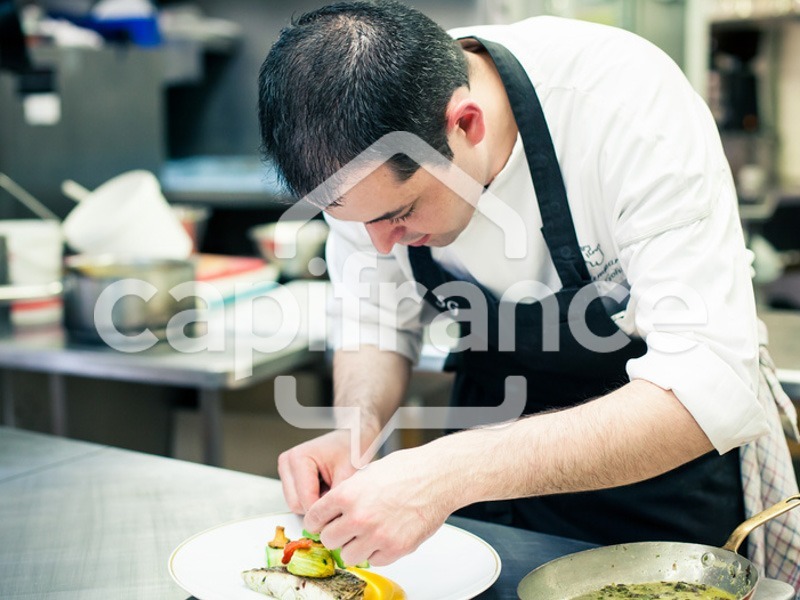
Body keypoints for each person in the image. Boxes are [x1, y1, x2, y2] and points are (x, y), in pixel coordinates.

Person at [257, 0, 800, 587]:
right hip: (483, 500)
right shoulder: (360, 149)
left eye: (401, 213)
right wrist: (355, 434)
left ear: (466, 125)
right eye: (356, 223)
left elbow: (708, 387)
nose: (382, 246)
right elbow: (378, 315)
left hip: (656, 506)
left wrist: (447, 472)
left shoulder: (624, 108)